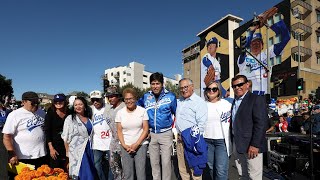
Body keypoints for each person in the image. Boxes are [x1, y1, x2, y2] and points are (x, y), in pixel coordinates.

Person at [237, 7, 290, 95]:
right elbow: (244, 46)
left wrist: (269, 22)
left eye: (258, 42)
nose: (256, 44)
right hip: (247, 98)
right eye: (253, 43)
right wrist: (255, 26)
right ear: (250, 44)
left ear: (262, 45)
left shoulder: (268, 54)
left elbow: (285, 37)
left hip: (263, 97)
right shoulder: (244, 57)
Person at [137, 72, 177, 180]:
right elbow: (138, 110)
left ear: (162, 84)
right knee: (154, 163)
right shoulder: (146, 96)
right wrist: (144, 128)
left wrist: (175, 129)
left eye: (157, 83)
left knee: (166, 162)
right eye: (153, 84)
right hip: (151, 134)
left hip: (166, 133)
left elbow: (176, 113)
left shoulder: (170, 96)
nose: (155, 86)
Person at [231, 75, 268, 180]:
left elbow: (261, 124)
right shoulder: (235, 101)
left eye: (240, 84)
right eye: (234, 86)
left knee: (253, 176)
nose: (237, 87)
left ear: (247, 85)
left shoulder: (256, 99)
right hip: (238, 144)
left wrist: (255, 145)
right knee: (242, 174)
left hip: (251, 146)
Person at [2, 91, 47, 168]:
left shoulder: (42, 113)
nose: (36, 105)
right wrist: (12, 154)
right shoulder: (14, 115)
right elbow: (6, 137)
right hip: (24, 157)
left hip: (42, 155)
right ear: (23, 102)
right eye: (33, 103)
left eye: (37, 102)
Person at [175, 78, 208, 180]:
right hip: (180, 141)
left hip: (193, 141)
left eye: (186, 87)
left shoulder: (199, 102)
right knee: (183, 169)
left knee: (195, 170)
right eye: (181, 88)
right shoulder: (179, 101)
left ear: (192, 87)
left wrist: (190, 138)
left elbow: (201, 125)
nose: (183, 90)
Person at [116, 88, 149, 180]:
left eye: (131, 98)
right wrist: (124, 145)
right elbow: (119, 130)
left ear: (135, 99)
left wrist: (136, 144)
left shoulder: (142, 111)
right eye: (126, 99)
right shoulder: (120, 113)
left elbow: (145, 129)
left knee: (141, 173)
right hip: (125, 146)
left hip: (141, 145)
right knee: (128, 173)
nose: (129, 101)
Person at [61, 96, 97, 179]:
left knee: (92, 171)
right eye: (76, 105)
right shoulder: (70, 119)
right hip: (77, 151)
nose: (78, 107)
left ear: (84, 106)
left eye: (80, 104)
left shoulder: (90, 118)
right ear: (73, 107)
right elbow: (65, 137)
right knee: (84, 173)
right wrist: (67, 153)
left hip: (90, 149)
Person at [203, 81, 232, 180]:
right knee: (210, 168)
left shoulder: (227, 104)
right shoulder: (202, 105)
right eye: (209, 89)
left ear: (219, 91)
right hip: (206, 141)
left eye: (214, 89)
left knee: (221, 170)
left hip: (222, 141)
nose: (211, 91)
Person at [90, 90, 113, 180]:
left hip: (110, 141)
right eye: (93, 100)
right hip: (97, 142)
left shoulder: (110, 107)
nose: (95, 102)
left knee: (112, 165)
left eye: (97, 99)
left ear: (102, 99)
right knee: (96, 165)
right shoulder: (90, 109)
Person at [44, 93, 70, 171]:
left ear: (65, 102)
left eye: (60, 101)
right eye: (56, 101)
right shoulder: (50, 113)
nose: (58, 103)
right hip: (55, 146)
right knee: (55, 170)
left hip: (68, 145)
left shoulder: (70, 112)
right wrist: (51, 148)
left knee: (68, 168)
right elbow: (47, 132)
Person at [105, 86, 126, 180]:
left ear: (118, 96)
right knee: (114, 167)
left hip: (125, 142)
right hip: (113, 142)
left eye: (113, 96)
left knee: (126, 168)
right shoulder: (108, 109)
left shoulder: (125, 107)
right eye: (109, 97)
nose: (110, 98)